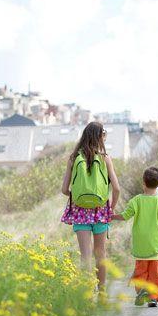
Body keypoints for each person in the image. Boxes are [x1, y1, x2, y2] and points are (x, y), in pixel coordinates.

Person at [61, 122, 121, 292]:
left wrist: (80, 196)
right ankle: (102, 292)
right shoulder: (105, 158)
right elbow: (116, 188)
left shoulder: (73, 158)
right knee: (100, 253)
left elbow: (64, 189)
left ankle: (87, 292)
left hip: (80, 211)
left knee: (85, 256)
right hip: (101, 211)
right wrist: (111, 207)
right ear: (101, 136)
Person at [111, 166, 158, 307]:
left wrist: (112, 216)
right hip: (156, 247)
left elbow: (125, 216)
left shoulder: (136, 200)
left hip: (141, 246)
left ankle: (141, 292)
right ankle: (153, 297)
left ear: (143, 183)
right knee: (155, 274)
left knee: (140, 272)